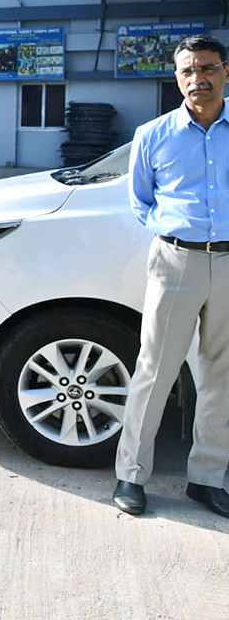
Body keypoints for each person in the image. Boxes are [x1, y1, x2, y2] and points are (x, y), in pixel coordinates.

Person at [113, 33, 229, 520]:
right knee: (155, 369)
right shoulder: (153, 135)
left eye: (207, 68)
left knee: (222, 374)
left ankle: (206, 479)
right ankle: (131, 474)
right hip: (176, 260)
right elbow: (141, 201)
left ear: (225, 72)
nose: (197, 78)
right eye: (187, 70)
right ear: (177, 78)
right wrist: (173, 239)